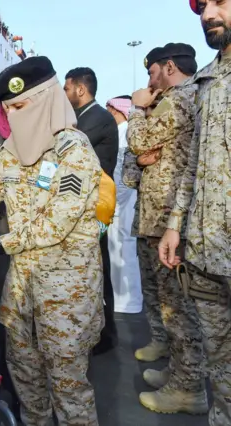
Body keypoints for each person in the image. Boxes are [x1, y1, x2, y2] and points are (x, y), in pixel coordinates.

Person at [0, 56, 103, 426]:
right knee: (27, 383)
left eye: (21, 106)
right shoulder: (11, 151)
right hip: (20, 292)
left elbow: (57, 223)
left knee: (69, 392)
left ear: (47, 99)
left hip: (67, 294)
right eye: (8, 109)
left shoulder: (74, 150)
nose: (14, 116)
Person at [159, 3, 231, 424]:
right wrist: (174, 225)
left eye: (221, 2)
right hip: (206, 254)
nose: (209, 14)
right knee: (220, 370)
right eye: (203, 6)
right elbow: (193, 164)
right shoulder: (207, 79)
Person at [126, 43, 207, 414]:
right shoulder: (180, 99)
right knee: (171, 304)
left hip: (170, 221)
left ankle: (188, 387)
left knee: (178, 308)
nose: (149, 80)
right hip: (162, 218)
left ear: (168, 67)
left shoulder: (176, 100)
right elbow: (142, 154)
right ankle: (180, 373)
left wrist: (139, 108)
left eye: (152, 72)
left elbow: (140, 140)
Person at [64, 66, 119, 355]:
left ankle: (105, 335)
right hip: (84, 207)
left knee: (98, 270)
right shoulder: (85, 118)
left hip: (95, 208)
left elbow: (68, 153)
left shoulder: (96, 119)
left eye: (67, 88)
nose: (65, 93)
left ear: (80, 89)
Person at [105, 95, 142, 315]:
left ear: (116, 110)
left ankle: (126, 302)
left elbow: (122, 175)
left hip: (122, 204)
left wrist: (113, 203)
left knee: (123, 251)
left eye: (108, 109)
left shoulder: (123, 133)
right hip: (124, 203)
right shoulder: (123, 132)